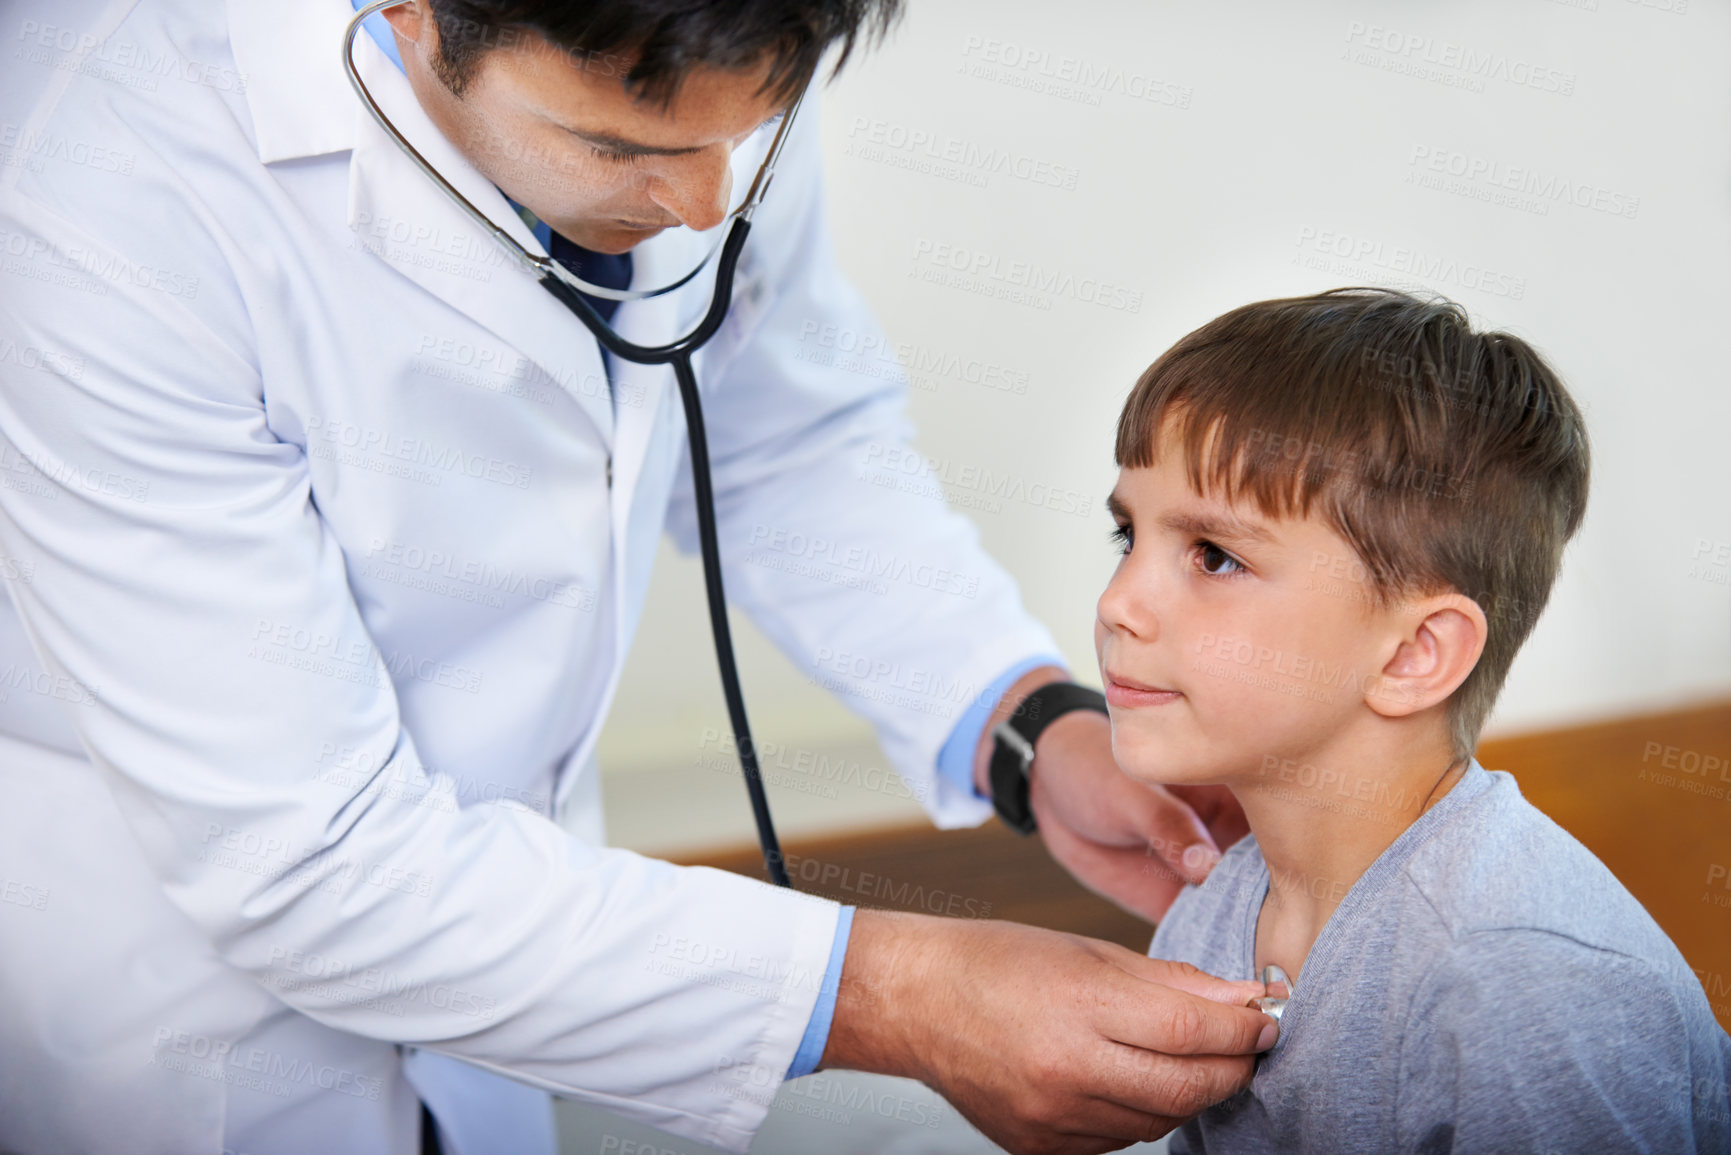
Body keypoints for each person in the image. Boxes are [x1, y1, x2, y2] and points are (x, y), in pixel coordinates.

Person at [0, 2, 1277, 1153]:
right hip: (186, 1005)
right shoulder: (98, 189)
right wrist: (899, 993)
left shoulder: (709, 48)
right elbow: (312, 861)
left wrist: (1031, 727)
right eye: (619, 152)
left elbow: (784, 436)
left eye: (758, 132)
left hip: (508, 923)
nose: (709, 206)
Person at [1094, 287, 1731, 1151]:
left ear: (1412, 655)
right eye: (1126, 536)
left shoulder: (1524, 978)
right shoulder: (1211, 913)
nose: (1119, 602)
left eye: (1213, 555)